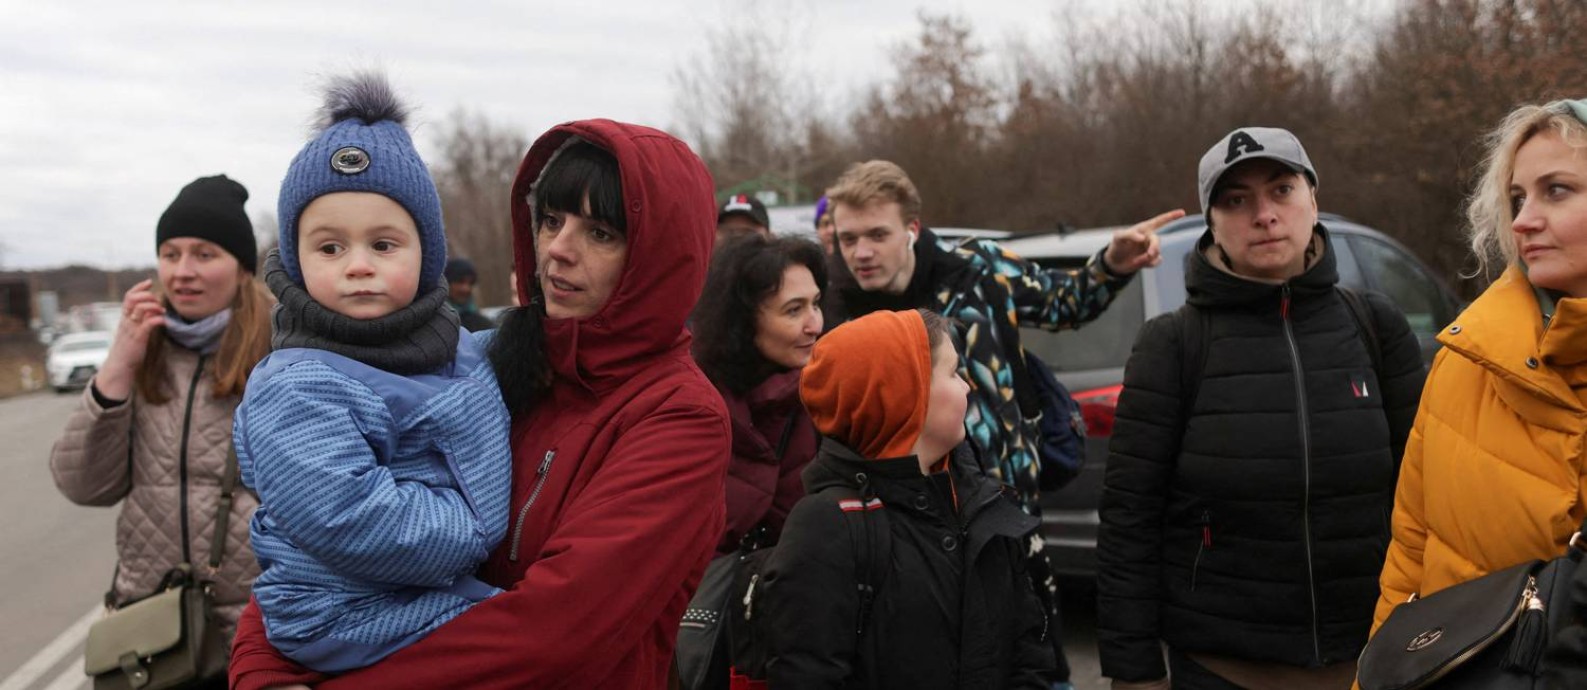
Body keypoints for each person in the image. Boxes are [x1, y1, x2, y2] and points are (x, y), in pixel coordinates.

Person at [227, 119, 731, 689]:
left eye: (601, 233)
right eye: (550, 220)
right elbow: (315, 542)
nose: (558, 251)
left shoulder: (676, 416)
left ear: (661, 257)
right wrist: (261, 669)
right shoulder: (487, 363)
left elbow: (555, 635)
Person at [820, 159, 1177, 687]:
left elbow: (1063, 304)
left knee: (1035, 655)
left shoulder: (976, 269)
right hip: (906, 528)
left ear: (912, 230)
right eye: (848, 239)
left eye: (877, 234)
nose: (861, 253)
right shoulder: (842, 310)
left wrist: (1112, 264)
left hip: (1007, 508)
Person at [1097, 127, 1426, 690]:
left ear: (1313, 200)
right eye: (1236, 200)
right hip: (1224, 669)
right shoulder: (1172, 345)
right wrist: (1134, 672)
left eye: (1281, 190)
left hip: (1374, 663)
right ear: (1213, 222)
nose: (1265, 215)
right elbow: (1129, 521)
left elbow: (1429, 496)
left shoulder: (1375, 326)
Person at [233, 72, 512, 673]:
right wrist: (473, 526)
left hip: (413, 589)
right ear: (296, 259)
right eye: (330, 248)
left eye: (384, 245)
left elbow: (482, 360)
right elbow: (349, 515)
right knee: (530, 643)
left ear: (426, 252)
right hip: (345, 612)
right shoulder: (295, 384)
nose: (358, 266)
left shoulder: (445, 345)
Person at [1372, 100, 1587, 675]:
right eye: (1517, 198)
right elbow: (1410, 556)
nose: (1523, 220)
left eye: (1557, 190)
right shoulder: (1465, 360)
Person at [760, 308, 1055, 688]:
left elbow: (1028, 652)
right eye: (951, 373)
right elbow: (807, 674)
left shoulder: (977, 500)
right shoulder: (828, 525)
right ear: (904, 395)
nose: (967, 386)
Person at [50, 174, 272, 653]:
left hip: (258, 629)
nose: (183, 271)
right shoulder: (143, 351)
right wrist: (118, 368)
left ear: (242, 269)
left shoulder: (280, 354)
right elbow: (84, 485)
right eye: (170, 254)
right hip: (151, 628)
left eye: (204, 254)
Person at [691, 234, 827, 555]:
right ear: (744, 321)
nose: (815, 324)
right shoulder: (696, 405)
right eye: (794, 310)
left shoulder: (829, 398)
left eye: (816, 304)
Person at [444, 257, 498, 331]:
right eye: (460, 281)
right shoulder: (438, 321)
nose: (466, 288)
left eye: (471, 283)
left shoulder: (483, 324)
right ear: (447, 283)